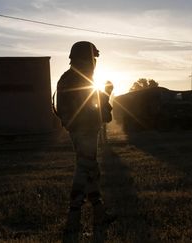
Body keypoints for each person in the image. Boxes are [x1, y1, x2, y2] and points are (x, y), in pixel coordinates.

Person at [56, 41, 115, 242]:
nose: (94, 63)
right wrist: (106, 94)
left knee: (91, 170)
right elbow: (98, 111)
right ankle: (74, 216)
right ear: (86, 59)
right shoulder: (77, 80)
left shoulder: (69, 78)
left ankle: (99, 213)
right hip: (85, 131)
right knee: (85, 168)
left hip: (82, 130)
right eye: (93, 59)